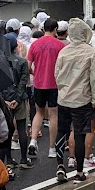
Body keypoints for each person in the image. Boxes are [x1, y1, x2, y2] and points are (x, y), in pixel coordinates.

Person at [53, 19, 95, 184]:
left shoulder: (64, 52)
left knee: (62, 131)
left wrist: (62, 89)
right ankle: (79, 171)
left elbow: (56, 74)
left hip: (64, 97)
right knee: (80, 135)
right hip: (82, 99)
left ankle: (60, 166)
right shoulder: (91, 53)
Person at [27, 18, 66, 159]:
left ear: (43, 29)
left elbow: (28, 65)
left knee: (39, 113)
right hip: (55, 84)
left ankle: (33, 140)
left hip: (38, 83)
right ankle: (52, 148)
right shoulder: (60, 45)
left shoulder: (35, 45)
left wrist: (34, 73)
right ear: (56, 29)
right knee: (53, 115)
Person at [0, 36, 32, 173]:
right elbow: (23, 82)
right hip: (19, 99)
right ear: (15, 46)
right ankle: (24, 159)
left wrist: (4, 99)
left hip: (5, 100)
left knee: (6, 129)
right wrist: (18, 99)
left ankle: (9, 160)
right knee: (21, 127)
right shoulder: (22, 62)